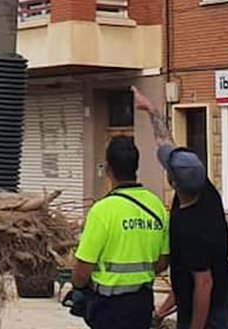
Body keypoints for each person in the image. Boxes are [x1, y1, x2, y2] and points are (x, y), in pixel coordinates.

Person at [133, 87, 228, 329]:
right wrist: (152, 110)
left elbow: (203, 284)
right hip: (207, 306)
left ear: (172, 182)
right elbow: (166, 142)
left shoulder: (192, 229)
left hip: (209, 318)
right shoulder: (204, 191)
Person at [70, 136, 170, 329]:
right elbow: (162, 263)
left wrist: (79, 289)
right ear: (136, 167)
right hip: (141, 304)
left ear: (108, 169)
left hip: (107, 309)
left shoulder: (102, 211)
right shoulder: (156, 206)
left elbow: (81, 272)